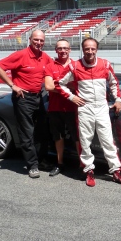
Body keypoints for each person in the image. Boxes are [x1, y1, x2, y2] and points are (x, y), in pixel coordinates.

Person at [58, 38, 121, 187]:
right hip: (85, 108)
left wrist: (117, 99)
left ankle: (116, 171)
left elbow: (113, 82)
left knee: (108, 141)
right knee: (85, 142)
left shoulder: (105, 64)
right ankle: (89, 171)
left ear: (96, 49)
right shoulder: (75, 66)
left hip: (102, 107)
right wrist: (72, 97)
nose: (90, 52)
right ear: (82, 50)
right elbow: (59, 83)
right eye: (87, 49)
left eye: (92, 49)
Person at [0, 30, 52, 178]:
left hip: (39, 97)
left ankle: (41, 160)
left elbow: (55, 70)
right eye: (36, 40)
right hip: (23, 98)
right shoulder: (21, 55)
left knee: (42, 131)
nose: (39, 43)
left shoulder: (44, 57)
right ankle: (32, 165)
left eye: (41, 40)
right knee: (27, 132)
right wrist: (12, 85)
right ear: (30, 39)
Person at [44, 39, 79, 176]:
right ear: (56, 50)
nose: (63, 51)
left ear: (70, 50)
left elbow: (79, 85)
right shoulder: (50, 66)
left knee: (77, 137)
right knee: (58, 137)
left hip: (73, 107)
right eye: (60, 48)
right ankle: (60, 164)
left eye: (65, 48)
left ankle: (82, 165)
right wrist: (66, 86)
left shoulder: (76, 65)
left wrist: (57, 85)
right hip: (55, 108)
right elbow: (48, 86)